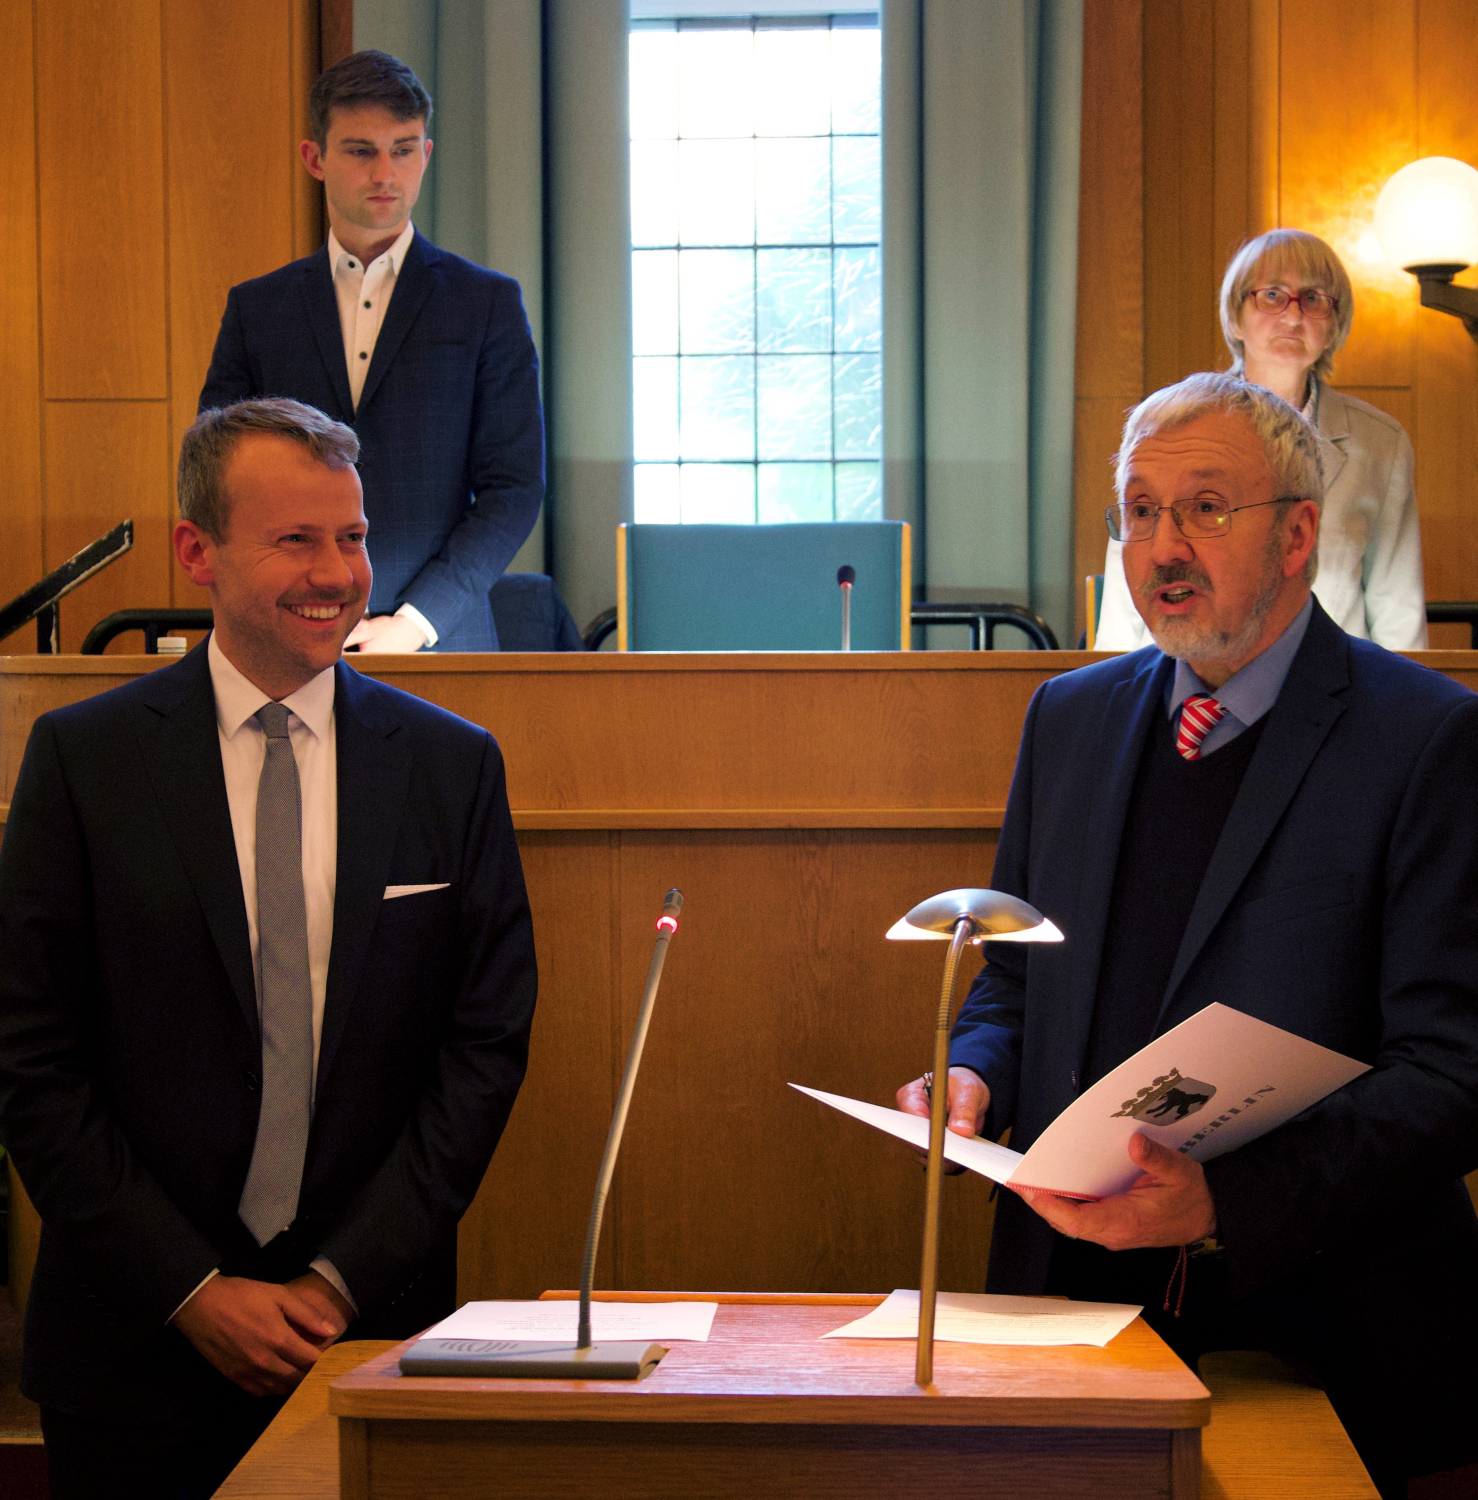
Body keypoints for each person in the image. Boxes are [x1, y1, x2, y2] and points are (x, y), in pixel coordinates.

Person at [899, 373, 1478, 1498]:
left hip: (1334, 1337)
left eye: (1206, 509)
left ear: (1298, 533)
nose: (1164, 545)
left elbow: (1455, 1069)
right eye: (1139, 510)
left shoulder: (1427, 741)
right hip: (1074, 1320)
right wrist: (971, 1071)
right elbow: (1014, 980)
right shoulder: (1066, 719)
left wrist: (1224, 1204)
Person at [0, 399, 538, 1498]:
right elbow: (31, 1061)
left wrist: (339, 1284)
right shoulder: (83, 762)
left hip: (367, 1340)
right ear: (196, 551)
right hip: (131, 1354)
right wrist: (192, 1290)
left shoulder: (451, 768)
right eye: (296, 539)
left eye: (352, 536)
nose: (336, 574)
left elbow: (482, 1047)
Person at [199, 49, 543, 654]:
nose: (385, 173)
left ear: (426, 156)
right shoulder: (257, 309)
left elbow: (513, 489)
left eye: (404, 149)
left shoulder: (486, 303)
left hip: (444, 638)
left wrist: (415, 623)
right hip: (283, 633)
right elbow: (216, 476)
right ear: (316, 158)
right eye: (361, 151)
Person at [1095, 229, 1427, 651]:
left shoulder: (1381, 443)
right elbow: (1132, 590)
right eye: (1271, 296)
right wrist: (1116, 699)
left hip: (1337, 693)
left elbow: (1398, 608)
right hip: (1191, 680)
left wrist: (1403, 710)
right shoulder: (1169, 427)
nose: (1292, 318)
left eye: (1313, 299)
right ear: (1235, 317)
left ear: (1335, 324)